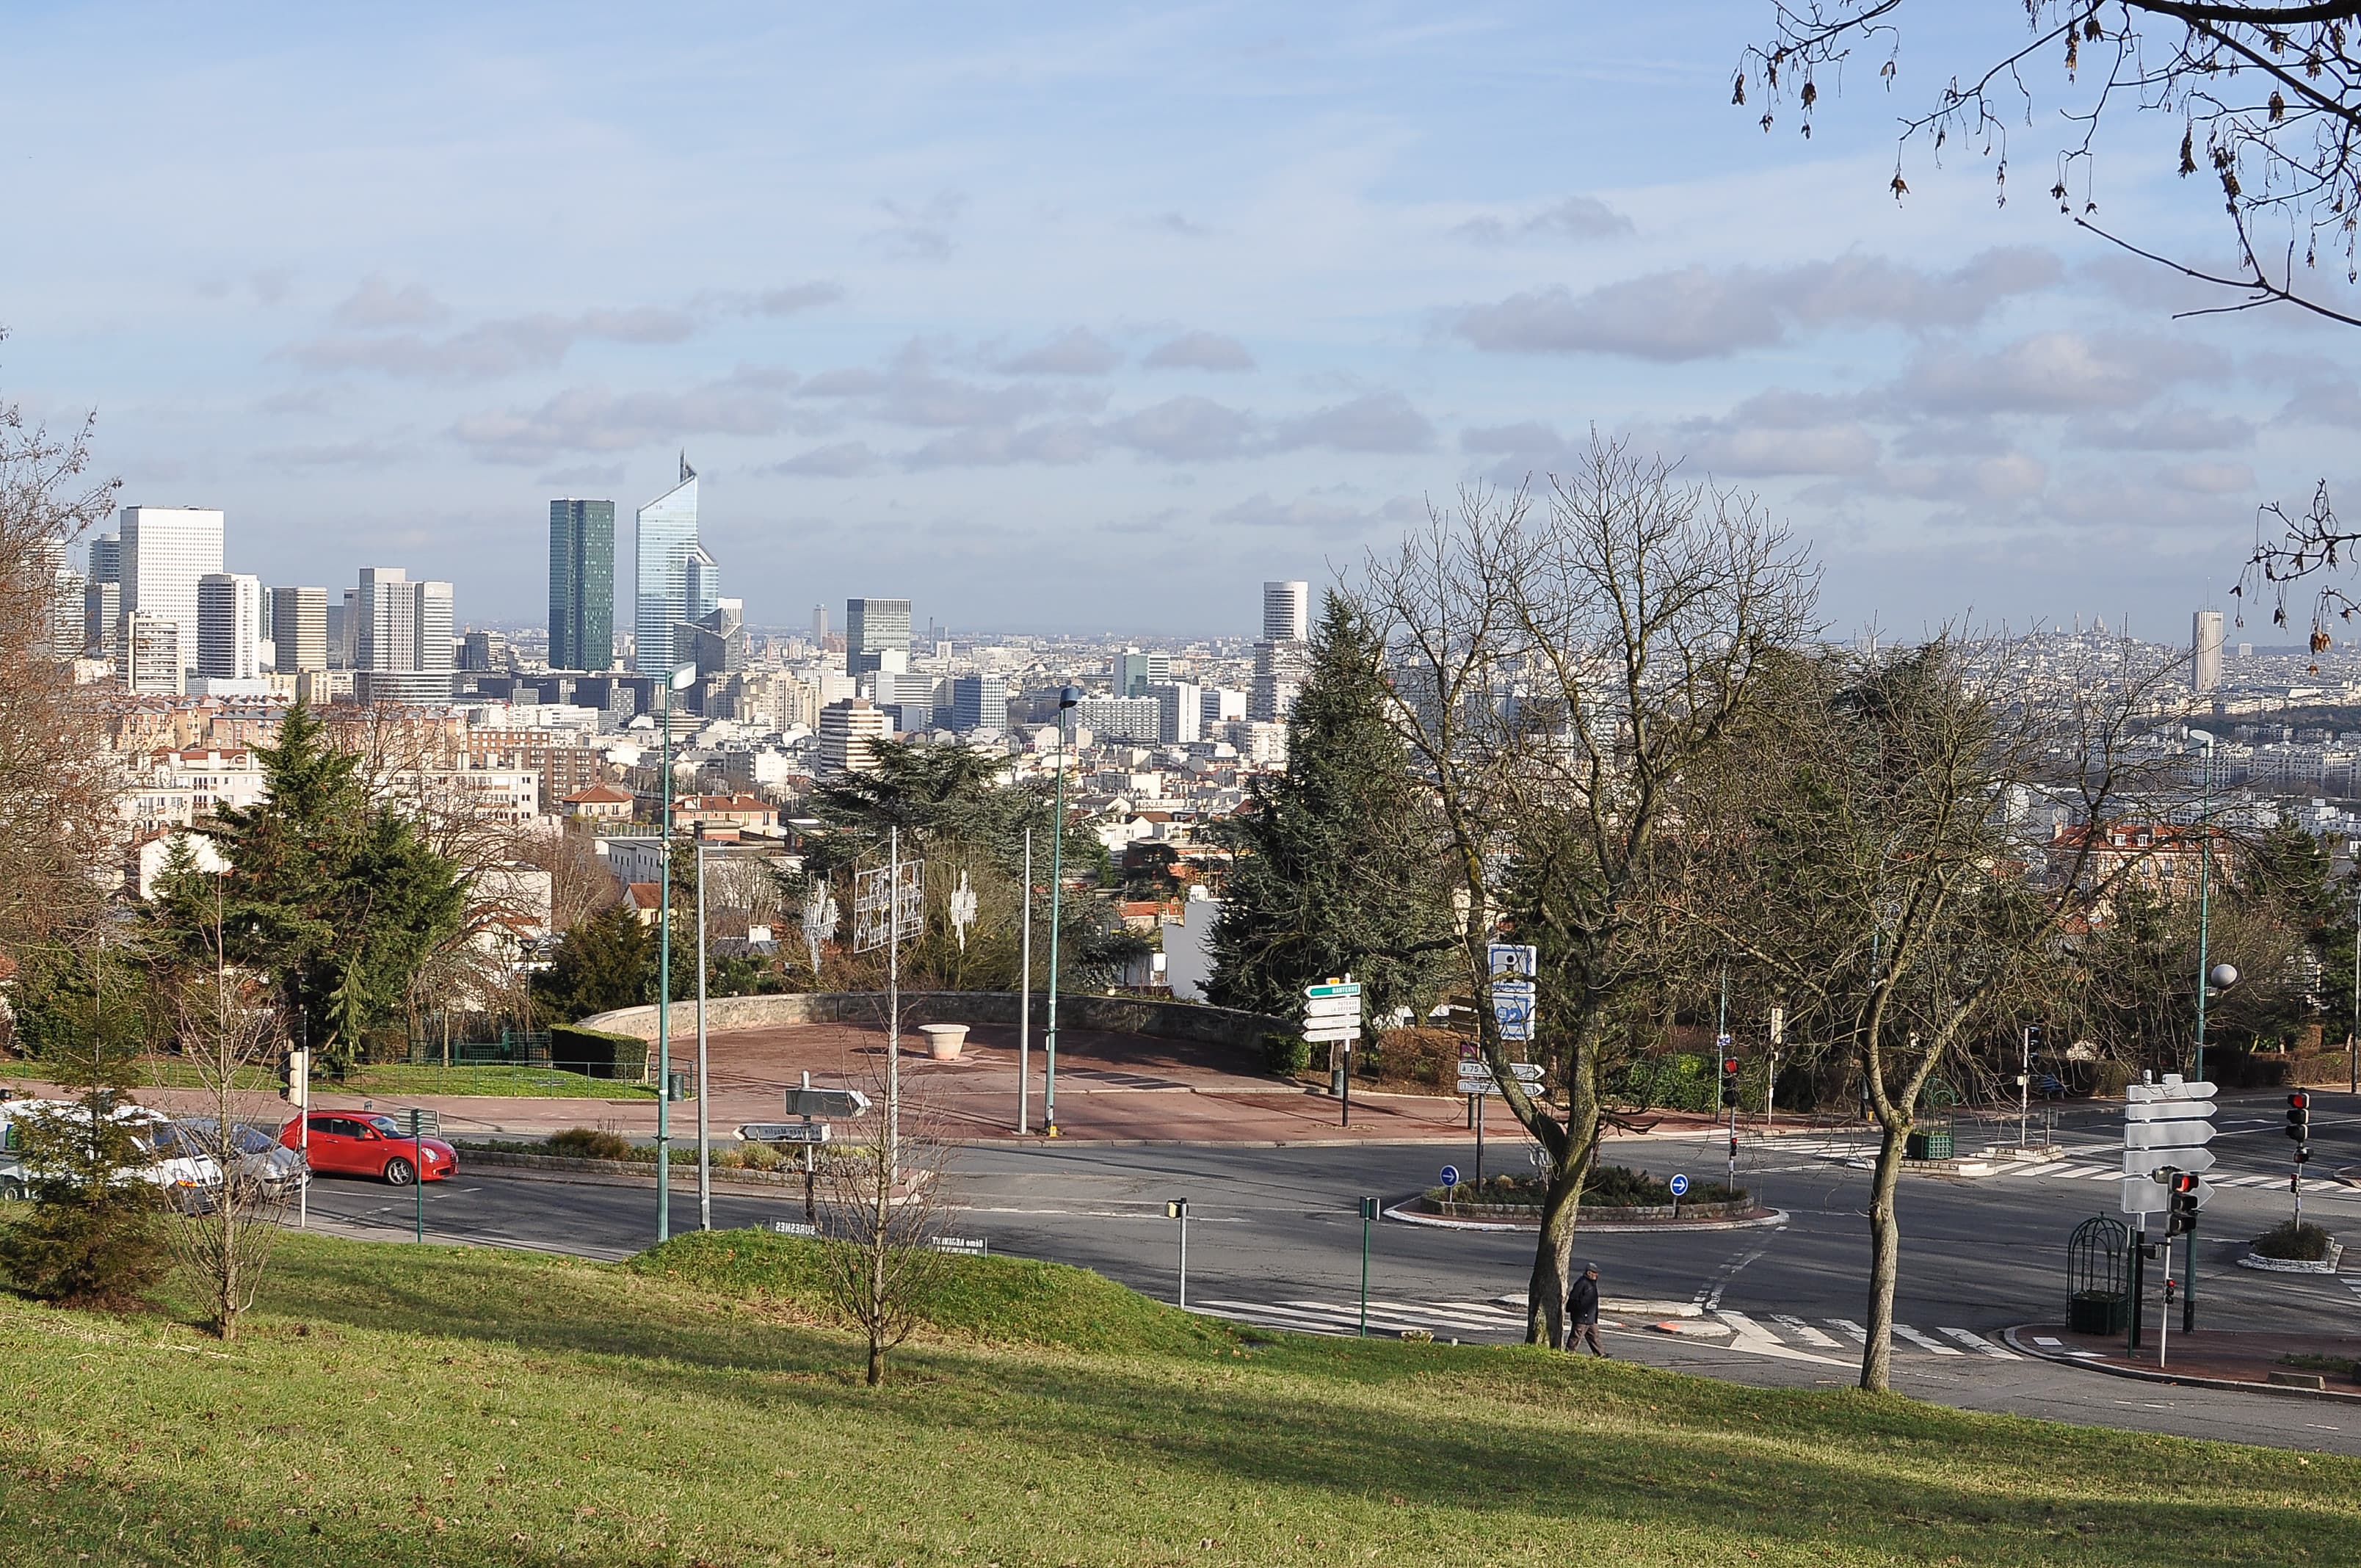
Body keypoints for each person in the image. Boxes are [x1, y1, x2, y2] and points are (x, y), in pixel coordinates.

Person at [1564, 1262, 1606, 1356]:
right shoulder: (1582, 1283)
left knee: (1594, 1337)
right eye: (1595, 1273)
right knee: (1576, 1337)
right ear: (1589, 1273)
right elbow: (1573, 1299)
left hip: (1590, 1318)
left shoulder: (1591, 1284)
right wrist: (1578, 1312)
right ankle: (1569, 1354)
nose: (1597, 1275)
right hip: (1582, 1318)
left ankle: (1601, 1354)